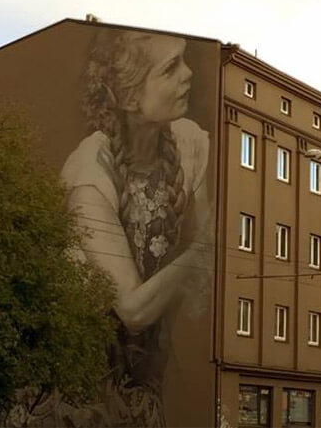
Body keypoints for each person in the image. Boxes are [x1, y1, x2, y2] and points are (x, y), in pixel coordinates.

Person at [59, 29, 211, 427]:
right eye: (171, 68)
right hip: (82, 394)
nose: (189, 74)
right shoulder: (89, 173)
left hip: (143, 386)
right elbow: (132, 309)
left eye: (185, 59)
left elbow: (202, 292)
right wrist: (204, 249)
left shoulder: (189, 143)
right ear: (129, 98)